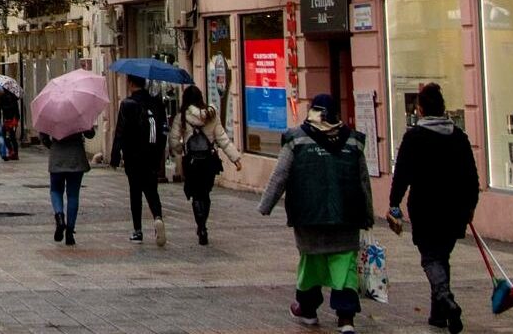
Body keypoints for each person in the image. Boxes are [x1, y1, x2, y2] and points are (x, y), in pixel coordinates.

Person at [259, 93, 373, 334]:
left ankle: (308, 309)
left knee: (311, 264)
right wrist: (368, 214)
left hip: (308, 215)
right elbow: (363, 181)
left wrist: (265, 205)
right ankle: (346, 318)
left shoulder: (296, 139)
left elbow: (280, 175)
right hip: (346, 216)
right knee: (345, 267)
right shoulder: (353, 142)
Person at [387, 83, 480, 332]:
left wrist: (394, 203)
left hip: (425, 208)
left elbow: (402, 174)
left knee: (430, 258)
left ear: (420, 109)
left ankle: (446, 299)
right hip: (455, 209)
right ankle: (438, 314)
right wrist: (471, 204)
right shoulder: (458, 137)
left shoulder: (414, 137)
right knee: (442, 256)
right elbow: (472, 176)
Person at [169, 83, 244, 245]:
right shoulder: (211, 115)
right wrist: (235, 158)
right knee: (205, 194)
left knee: (196, 195)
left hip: (192, 161)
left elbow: (174, 141)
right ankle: (203, 224)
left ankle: (201, 226)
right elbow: (222, 138)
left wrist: (181, 148)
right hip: (209, 161)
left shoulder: (182, 116)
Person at [110, 74, 169, 245]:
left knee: (135, 192)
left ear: (130, 83)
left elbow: (120, 132)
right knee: (152, 189)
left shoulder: (127, 104)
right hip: (152, 155)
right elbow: (163, 131)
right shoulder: (157, 103)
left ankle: (138, 230)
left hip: (133, 156)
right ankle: (157, 216)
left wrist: (115, 157)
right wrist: (159, 154)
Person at [43, 127, 96, 246]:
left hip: (57, 156)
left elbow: (44, 136)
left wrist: (52, 146)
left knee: (56, 190)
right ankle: (70, 233)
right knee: (73, 195)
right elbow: (90, 134)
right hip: (75, 157)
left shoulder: (51, 112)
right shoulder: (78, 112)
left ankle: (60, 216)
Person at [2, 85, 23, 160]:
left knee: (6, 136)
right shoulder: (13, 97)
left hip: (10, 120)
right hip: (14, 119)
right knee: (11, 137)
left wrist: (3, 107)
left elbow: (9, 108)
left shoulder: (6, 97)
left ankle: (12, 152)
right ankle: (14, 153)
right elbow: (16, 110)